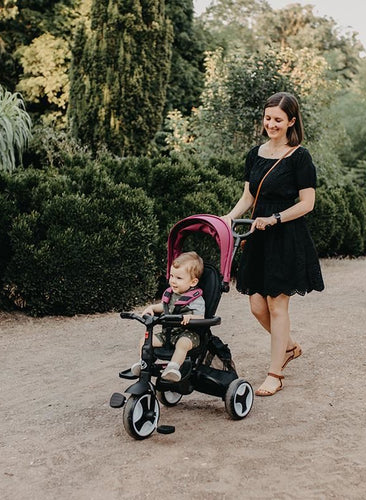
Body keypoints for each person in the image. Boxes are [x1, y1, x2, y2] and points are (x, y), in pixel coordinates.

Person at [221, 92, 324, 397]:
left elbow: (308, 204)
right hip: (257, 236)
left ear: (292, 121)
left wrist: (276, 218)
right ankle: (289, 347)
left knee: (277, 305)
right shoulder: (255, 154)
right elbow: (249, 196)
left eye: (278, 119)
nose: (271, 124)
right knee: (256, 305)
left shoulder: (300, 157)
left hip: (285, 236)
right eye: (268, 118)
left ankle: (274, 373)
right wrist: (229, 216)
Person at [130, 251, 205, 382]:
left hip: (187, 334)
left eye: (179, 278)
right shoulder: (170, 294)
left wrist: (190, 318)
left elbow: (201, 317)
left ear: (193, 282)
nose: (173, 281)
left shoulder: (195, 299)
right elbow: (163, 307)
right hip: (168, 334)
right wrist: (152, 308)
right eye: (172, 276)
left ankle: (173, 368)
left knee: (182, 343)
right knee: (146, 340)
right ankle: (143, 363)